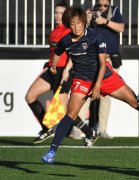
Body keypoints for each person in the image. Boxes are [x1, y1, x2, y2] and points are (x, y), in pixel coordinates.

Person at [41, 6, 139, 164]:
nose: (76, 27)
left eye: (79, 23)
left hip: (105, 77)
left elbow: (103, 64)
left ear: (84, 22)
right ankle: (51, 152)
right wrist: (54, 66)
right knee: (71, 114)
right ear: (69, 24)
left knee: (135, 102)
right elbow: (57, 51)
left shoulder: (96, 37)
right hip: (82, 80)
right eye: (73, 24)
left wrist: (97, 87)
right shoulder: (66, 40)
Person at [25, 1, 99, 145]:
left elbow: (74, 53)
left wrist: (67, 69)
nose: (58, 16)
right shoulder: (54, 32)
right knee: (30, 96)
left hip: (65, 72)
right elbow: (54, 53)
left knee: (66, 110)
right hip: (52, 70)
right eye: (56, 13)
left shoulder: (70, 31)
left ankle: (90, 133)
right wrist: (49, 65)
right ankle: (46, 128)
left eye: (61, 13)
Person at [88, 0, 125, 139]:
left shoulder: (114, 11)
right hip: (94, 58)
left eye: (105, 5)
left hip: (110, 58)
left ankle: (102, 129)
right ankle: (79, 129)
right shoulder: (92, 11)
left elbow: (121, 28)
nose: (102, 8)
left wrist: (105, 21)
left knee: (107, 94)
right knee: (86, 92)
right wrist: (88, 16)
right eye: (100, 5)